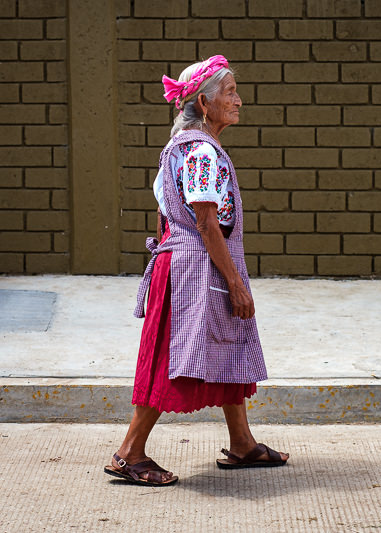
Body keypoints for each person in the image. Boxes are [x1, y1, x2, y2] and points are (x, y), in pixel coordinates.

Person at [104, 55, 289, 486]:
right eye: (230, 93)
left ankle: (242, 444)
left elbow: (163, 215)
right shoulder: (202, 152)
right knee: (176, 359)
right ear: (204, 104)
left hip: (185, 264)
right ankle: (129, 453)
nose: (239, 100)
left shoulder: (181, 147)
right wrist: (235, 283)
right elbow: (206, 222)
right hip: (196, 270)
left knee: (226, 347)